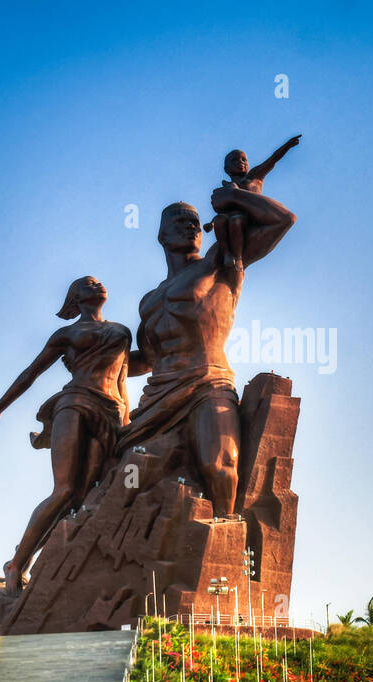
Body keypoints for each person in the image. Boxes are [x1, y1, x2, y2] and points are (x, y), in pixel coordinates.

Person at [118, 184, 295, 518]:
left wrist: (236, 197)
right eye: (180, 221)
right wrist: (98, 365)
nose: (191, 227)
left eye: (196, 223)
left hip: (207, 382)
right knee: (121, 476)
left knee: (219, 463)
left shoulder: (220, 262)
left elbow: (282, 220)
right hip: (157, 396)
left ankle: (224, 536)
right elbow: (147, 358)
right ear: (161, 235)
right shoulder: (149, 300)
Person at [0, 276, 131, 594]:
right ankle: (17, 564)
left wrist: (126, 423)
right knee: (64, 490)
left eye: (99, 282)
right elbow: (30, 373)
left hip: (110, 413)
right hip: (74, 403)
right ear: (75, 298)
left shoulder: (121, 332)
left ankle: (49, 565)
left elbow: (123, 381)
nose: (98, 286)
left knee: (82, 498)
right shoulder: (67, 334)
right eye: (88, 284)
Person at [204, 135, 301, 270]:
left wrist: (287, 146)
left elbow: (272, 160)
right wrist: (212, 224)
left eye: (244, 159)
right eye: (235, 160)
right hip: (228, 217)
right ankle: (227, 254)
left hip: (249, 217)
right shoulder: (226, 187)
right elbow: (223, 210)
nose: (241, 162)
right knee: (221, 220)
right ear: (226, 169)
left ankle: (238, 257)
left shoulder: (254, 177)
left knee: (236, 221)